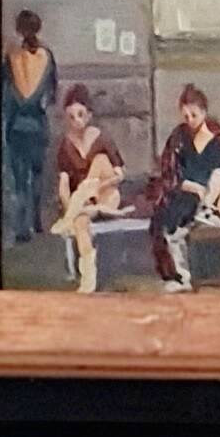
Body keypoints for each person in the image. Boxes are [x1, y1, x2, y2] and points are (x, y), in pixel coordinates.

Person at [146, 86, 220, 285]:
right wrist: (193, 187)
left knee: (219, 174)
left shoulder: (219, 139)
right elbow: (171, 172)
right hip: (184, 192)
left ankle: (206, 213)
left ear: (204, 113)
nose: (189, 120)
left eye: (194, 115)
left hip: (211, 198)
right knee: (169, 222)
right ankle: (180, 275)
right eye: (185, 116)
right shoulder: (179, 138)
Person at [50, 87, 125, 293]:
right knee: (81, 222)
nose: (76, 121)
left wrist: (98, 186)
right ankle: (88, 279)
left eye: (81, 115)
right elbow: (64, 185)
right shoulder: (65, 146)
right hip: (82, 204)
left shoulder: (102, 139)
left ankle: (77, 211)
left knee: (100, 160)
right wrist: (69, 208)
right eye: (71, 116)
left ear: (89, 115)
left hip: (106, 195)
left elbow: (119, 174)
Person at [0, 11, 58, 248]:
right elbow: (52, 92)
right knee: (37, 175)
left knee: (20, 178)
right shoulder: (47, 57)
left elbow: (5, 95)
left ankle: (23, 228)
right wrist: (41, 103)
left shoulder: (11, 57)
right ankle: (36, 221)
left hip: (16, 127)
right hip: (38, 126)